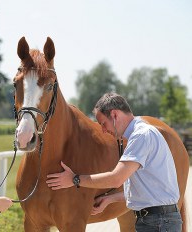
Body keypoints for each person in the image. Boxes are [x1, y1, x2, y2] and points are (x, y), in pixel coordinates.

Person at [46, 92, 182, 232]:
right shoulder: (142, 134)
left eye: (103, 124)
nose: (103, 130)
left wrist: (74, 179)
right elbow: (147, 191)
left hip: (158, 223)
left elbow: (116, 179)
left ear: (115, 115)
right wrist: (110, 199)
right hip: (157, 221)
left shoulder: (140, 136)